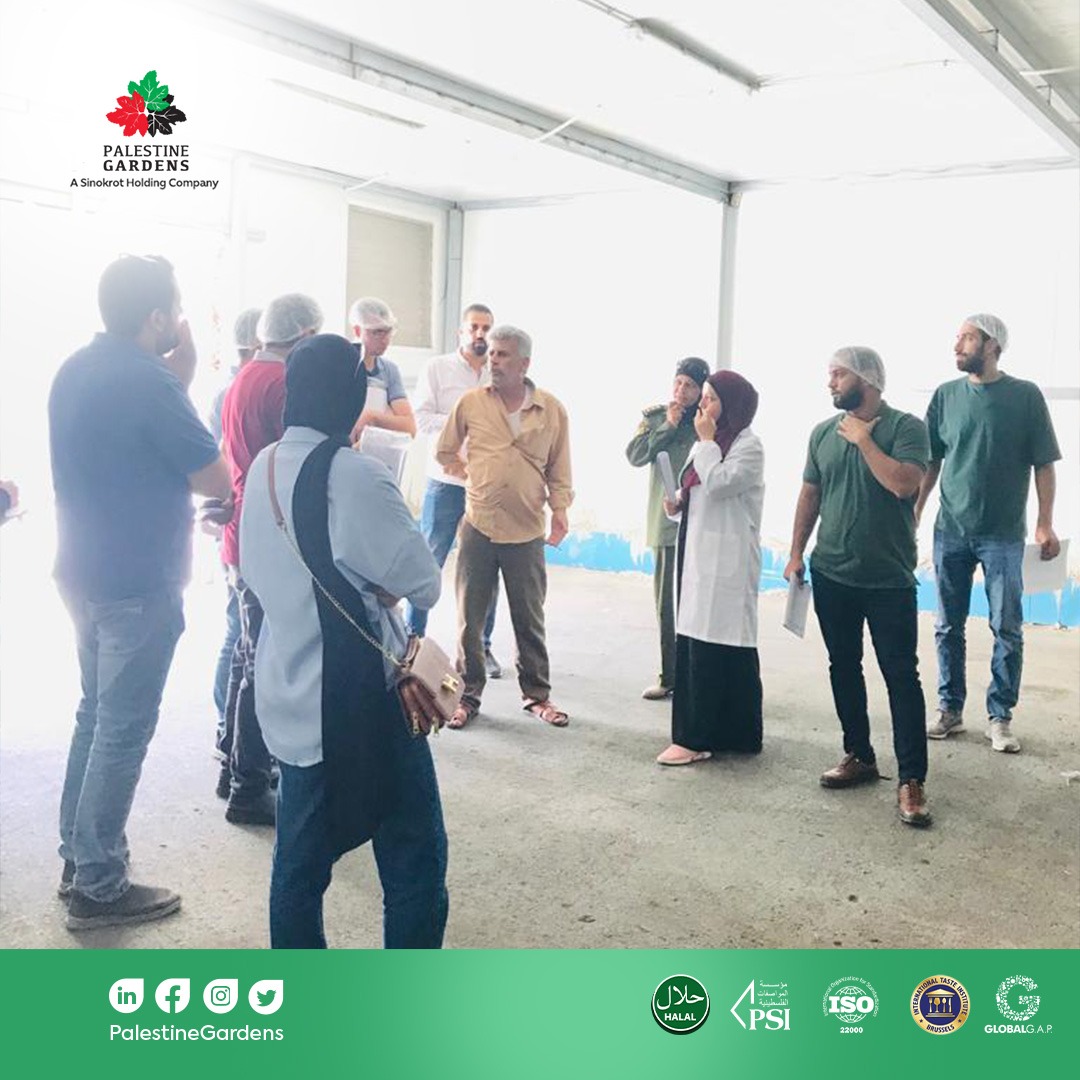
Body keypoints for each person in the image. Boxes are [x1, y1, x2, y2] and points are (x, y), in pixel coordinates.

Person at [239, 333, 446, 949]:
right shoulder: (354, 474)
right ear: (354, 398)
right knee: (413, 856)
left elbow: (257, 569)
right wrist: (378, 587)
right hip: (363, 703)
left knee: (298, 868)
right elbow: (425, 582)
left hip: (290, 694)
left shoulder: (264, 465)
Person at [49, 254, 231, 929]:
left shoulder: (75, 367)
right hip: (136, 580)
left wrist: (174, 377)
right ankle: (98, 886)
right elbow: (215, 478)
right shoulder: (152, 381)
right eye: (176, 309)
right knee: (122, 731)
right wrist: (180, 379)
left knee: (95, 716)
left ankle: (79, 859)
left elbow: (125, 452)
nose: (181, 319)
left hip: (82, 571)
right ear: (157, 318)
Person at [784, 347, 932, 827]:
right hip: (832, 572)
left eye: (837, 374)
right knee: (843, 665)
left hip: (888, 579)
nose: (830, 383)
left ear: (866, 379)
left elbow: (904, 485)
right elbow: (810, 493)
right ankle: (860, 755)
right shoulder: (822, 433)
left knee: (900, 676)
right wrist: (796, 552)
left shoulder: (906, 428)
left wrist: (866, 441)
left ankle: (911, 780)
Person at [915, 314, 1061, 754]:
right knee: (947, 626)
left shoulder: (1025, 396)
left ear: (992, 345)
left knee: (1007, 627)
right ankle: (950, 708)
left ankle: (1000, 716)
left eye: (967, 338)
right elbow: (931, 461)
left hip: (1003, 534)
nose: (957, 345)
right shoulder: (946, 396)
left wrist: (1045, 522)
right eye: (957, 337)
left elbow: (1044, 463)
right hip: (951, 530)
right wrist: (915, 512)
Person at [217, 294, 323, 825]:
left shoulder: (244, 378)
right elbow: (301, 459)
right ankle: (249, 785)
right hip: (270, 539)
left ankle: (234, 766)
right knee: (264, 665)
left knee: (247, 656)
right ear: (304, 335)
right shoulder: (282, 384)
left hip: (242, 533)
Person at [435, 325, 573, 729]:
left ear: (524, 363)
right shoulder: (472, 403)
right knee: (469, 620)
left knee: (529, 617)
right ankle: (466, 697)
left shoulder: (551, 410)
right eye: (491, 353)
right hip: (478, 526)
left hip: (526, 531)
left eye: (503, 355)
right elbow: (444, 450)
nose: (493, 360)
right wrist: (473, 475)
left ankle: (537, 696)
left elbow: (560, 469)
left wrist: (560, 510)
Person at [655, 370, 764, 765]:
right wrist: (676, 505)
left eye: (711, 398)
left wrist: (704, 442)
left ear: (732, 405)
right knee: (701, 638)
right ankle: (724, 734)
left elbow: (719, 483)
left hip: (727, 561)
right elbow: (697, 488)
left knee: (721, 643)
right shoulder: (711, 443)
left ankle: (697, 738)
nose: (702, 404)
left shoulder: (748, 447)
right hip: (699, 553)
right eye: (704, 396)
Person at [407, 302, 502, 677]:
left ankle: (482, 647)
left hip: (485, 485)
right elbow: (421, 418)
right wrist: (464, 422)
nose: (480, 334)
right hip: (445, 483)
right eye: (474, 327)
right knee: (427, 563)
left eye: (486, 328)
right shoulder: (438, 368)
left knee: (485, 569)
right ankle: (412, 642)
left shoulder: (498, 373)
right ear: (460, 332)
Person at [626, 356, 710, 700]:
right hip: (664, 522)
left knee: (698, 600)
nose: (681, 390)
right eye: (678, 383)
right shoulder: (656, 418)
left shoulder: (708, 421)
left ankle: (697, 675)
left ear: (701, 390)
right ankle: (669, 675)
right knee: (666, 602)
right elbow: (635, 455)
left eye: (690, 385)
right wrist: (668, 426)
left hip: (701, 521)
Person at [209, 307, 261, 765]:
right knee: (241, 637)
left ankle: (228, 735)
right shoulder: (240, 391)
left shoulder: (230, 391)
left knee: (239, 633)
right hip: (242, 526)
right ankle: (230, 736)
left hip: (234, 524)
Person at [347, 297, 417, 440]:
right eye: (377, 332)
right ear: (357, 331)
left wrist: (372, 417)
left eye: (388, 332)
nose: (384, 339)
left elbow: (409, 427)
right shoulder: (342, 365)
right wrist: (387, 418)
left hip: (377, 447)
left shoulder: (388, 370)